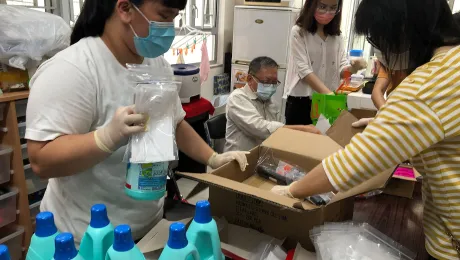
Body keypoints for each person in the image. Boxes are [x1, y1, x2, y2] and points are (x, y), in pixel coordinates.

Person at [25, 0, 249, 243]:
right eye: (164, 16)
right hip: (85, 237)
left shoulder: (157, 65)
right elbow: (41, 160)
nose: (169, 29)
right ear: (125, 9)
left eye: (174, 18)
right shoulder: (73, 69)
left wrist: (212, 157)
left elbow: (173, 124)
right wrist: (106, 138)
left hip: (147, 226)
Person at [271, 0, 460, 259]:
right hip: (305, 98)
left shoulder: (428, 83)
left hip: (451, 238)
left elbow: (353, 163)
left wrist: (292, 190)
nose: (383, 55)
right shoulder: (452, 65)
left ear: (404, 30)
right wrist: (387, 125)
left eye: (382, 42)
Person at [284, 0, 367, 125]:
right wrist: (329, 95)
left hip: (329, 101)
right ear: (312, 5)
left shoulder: (337, 37)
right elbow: (304, 71)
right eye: (322, 7)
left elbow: (341, 69)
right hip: (302, 101)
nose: (327, 12)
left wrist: (353, 67)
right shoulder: (299, 32)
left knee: (327, 142)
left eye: (333, 7)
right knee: (298, 143)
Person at [225, 57, 321, 152]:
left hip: (262, 158)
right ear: (250, 79)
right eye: (266, 82)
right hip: (238, 161)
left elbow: (275, 135)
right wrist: (301, 129)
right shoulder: (237, 98)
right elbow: (259, 128)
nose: (271, 86)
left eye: (274, 83)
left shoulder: (271, 102)